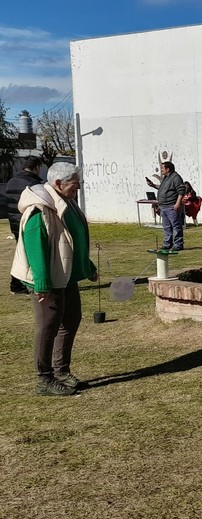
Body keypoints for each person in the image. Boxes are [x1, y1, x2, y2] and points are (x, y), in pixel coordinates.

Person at [11, 162, 98, 395]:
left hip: (65, 273)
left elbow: (72, 240)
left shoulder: (66, 202)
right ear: (58, 183)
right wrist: (41, 282)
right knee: (48, 326)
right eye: (74, 185)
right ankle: (44, 379)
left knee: (71, 319)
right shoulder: (40, 207)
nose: (77, 189)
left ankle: (61, 372)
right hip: (47, 278)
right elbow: (34, 245)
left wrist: (86, 265)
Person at [5, 155, 43, 294]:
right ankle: (21, 284)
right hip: (29, 222)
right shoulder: (34, 184)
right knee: (31, 255)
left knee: (20, 253)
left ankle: (16, 285)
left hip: (14, 222)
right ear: (37, 167)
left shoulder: (11, 182)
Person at [146, 161, 186, 250]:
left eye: (162, 169)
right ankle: (168, 244)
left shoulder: (176, 177)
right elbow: (162, 188)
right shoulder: (166, 178)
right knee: (167, 226)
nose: (161, 170)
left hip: (171, 206)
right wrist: (152, 185)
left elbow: (181, 190)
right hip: (164, 206)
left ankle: (178, 244)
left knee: (176, 226)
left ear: (168, 169)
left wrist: (178, 203)